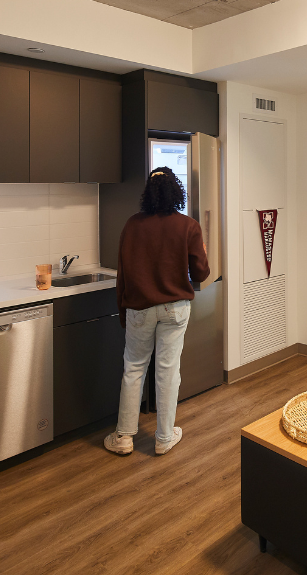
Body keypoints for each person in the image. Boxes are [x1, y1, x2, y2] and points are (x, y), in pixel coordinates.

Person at [104, 167, 210, 456]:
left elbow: (122, 275)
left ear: (147, 194)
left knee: (134, 368)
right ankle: (164, 438)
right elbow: (200, 273)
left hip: (139, 308)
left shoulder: (132, 225)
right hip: (175, 309)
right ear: (177, 192)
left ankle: (124, 437)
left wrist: (123, 312)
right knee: (167, 371)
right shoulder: (188, 226)